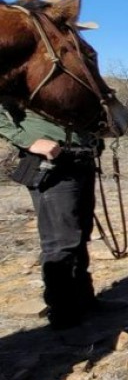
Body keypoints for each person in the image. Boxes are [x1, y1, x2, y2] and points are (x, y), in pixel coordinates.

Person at [0, 107, 100, 329]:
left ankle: (84, 300)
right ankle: (64, 315)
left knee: (80, 233)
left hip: (81, 158)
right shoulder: (15, 73)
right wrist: (27, 140)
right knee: (60, 241)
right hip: (52, 165)